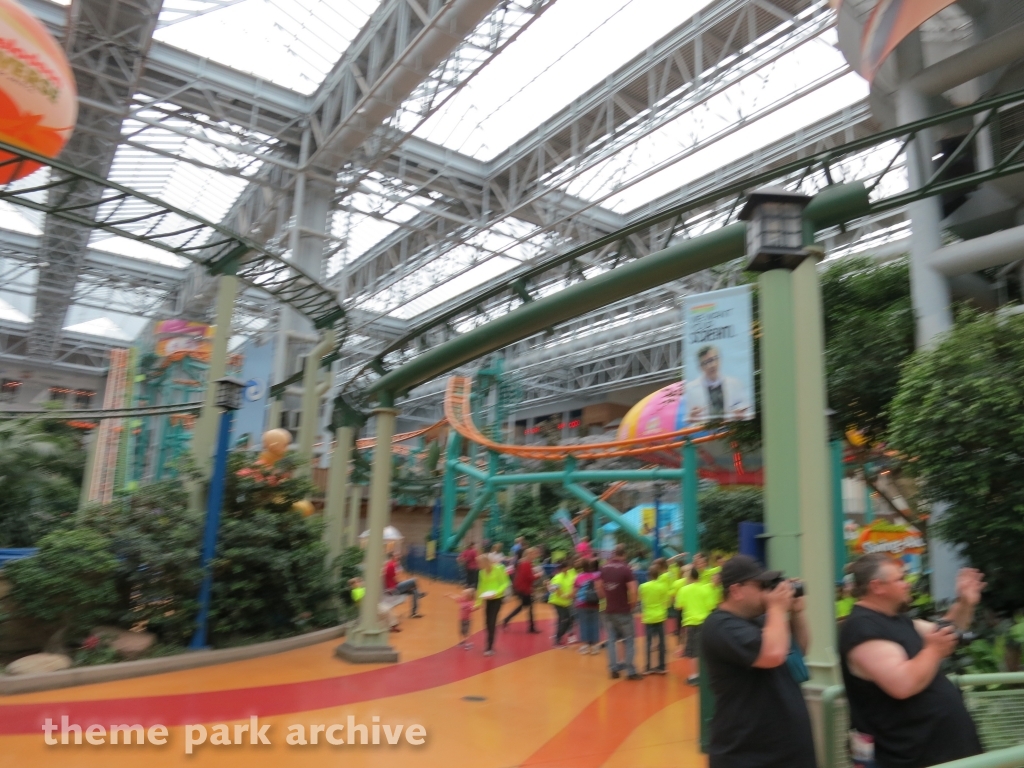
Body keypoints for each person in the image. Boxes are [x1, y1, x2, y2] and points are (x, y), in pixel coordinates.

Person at [839, 554, 985, 768]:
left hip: (940, 752)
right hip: (910, 757)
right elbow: (903, 684)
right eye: (900, 579)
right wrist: (934, 651)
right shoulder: (862, 628)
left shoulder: (897, 620)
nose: (907, 584)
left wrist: (965, 603)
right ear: (877, 586)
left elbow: (947, 631)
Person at [702, 555, 817, 768]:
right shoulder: (720, 626)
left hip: (788, 753)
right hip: (749, 756)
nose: (767, 592)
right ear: (736, 591)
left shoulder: (762, 619)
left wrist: (796, 613)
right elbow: (772, 655)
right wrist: (776, 608)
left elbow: (797, 650)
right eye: (761, 586)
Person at [596, 543, 641, 680]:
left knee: (611, 640)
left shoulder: (604, 568)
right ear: (624, 555)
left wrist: (605, 596)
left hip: (608, 610)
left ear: (613, 554)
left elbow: (598, 586)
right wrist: (632, 606)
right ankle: (630, 671)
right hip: (623, 610)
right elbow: (633, 590)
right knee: (629, 640)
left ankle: (613, 669)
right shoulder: (626, 569)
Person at [686, 344, 751, 423]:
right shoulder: (691, 389)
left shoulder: (735, 384)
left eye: (712, 359)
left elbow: (747, 409)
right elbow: (689, 421)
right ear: (700, 367)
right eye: (705, 363)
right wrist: (691, 419)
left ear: (719, 360)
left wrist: (740, 414)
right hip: (707, 433)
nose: (711, 365)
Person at [675, 565, 718, 682]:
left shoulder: (683, 590)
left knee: (693, 651)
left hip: (691, 623)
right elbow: (712, 606)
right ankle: (707, 674)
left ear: (690, 577)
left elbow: (678, 606)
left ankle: (695, 676)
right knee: (706, 650)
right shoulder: (707, 589)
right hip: (705, 622)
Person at [475, 553, 511, 656]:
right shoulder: (481, 572)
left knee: (492, 621)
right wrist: (478, 602)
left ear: (485, 562)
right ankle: (489, 644)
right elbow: (480, 587)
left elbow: (505, 583)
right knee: (487, 622)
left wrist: (497, 592)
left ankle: (489, 647)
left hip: (497, 599)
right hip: (487, 598)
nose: (478, 565)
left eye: (479, 563)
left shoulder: (498, 569)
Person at [639, 563, 670, 674]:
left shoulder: (643, 587)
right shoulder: (663, 587)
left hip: (648, 616)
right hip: (660, 616)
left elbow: (641, 599)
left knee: (648, 642)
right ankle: (662, 666)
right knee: (661, 642)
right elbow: (666, 602)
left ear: (649, 575)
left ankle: (647, 667)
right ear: (658, 575)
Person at [502, 546, 540, 633]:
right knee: (527, 607)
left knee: (524, 607)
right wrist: (538, 575)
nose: (535, 555)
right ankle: (531, 627)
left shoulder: (525, 563)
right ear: (529, 554)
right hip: (524, 589)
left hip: (522, 588)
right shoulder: (526, 563)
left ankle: (507, 620)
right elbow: (529, 578)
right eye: (534, 554)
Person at [383, 551, 425, 618]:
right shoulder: (391, 565)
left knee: (415, 590)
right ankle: (419, 594)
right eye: (395, 556)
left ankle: (414, 613)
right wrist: (406, 584)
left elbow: (396, 578)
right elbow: (396, 578)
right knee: (414, 580)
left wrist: (407, 585)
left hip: (396, 586)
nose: (397, 557)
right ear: (391, 557)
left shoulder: (392, 564)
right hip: (395, 589)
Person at [572, 557, 602, 654]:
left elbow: (574, 593)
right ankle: (594, 646)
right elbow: (600, 589)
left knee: (583, 624)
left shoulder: (578, 577)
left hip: (581, 603)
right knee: (595, 623)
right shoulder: (596, 576)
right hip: (594, 603)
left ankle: (585, 646)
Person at [548, 560, 576, 647]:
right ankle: (557, 639)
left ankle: (558, 637)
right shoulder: (558, 577)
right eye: (567, 567)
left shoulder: (569, 575)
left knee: (567, 620)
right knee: (564, 620)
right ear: (564, 568)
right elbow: (554, 589)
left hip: (566, 603)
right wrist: (565, 595)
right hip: (558, 602)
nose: (568, 569)